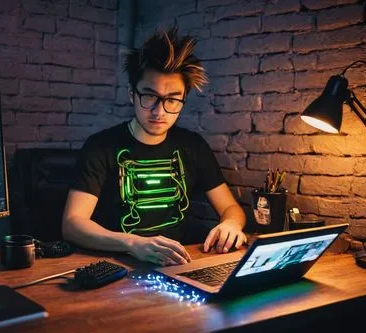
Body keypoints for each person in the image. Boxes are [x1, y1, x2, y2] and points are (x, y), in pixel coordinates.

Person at [62, 27, 247, 266]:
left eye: (172, 100)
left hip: (180, 264)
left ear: (182, 100)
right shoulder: (101, 146)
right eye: (149, 97)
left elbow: (231, 207)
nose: (159, 112)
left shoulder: (192, 146)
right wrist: (132, 243)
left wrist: (230, 224)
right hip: (118, 267)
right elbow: (73, 224)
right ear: (132, 93)